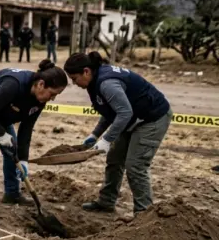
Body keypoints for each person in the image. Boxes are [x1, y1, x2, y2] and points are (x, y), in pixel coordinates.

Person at [0, 60, 68, 224]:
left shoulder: (39, 101)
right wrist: (2, 135)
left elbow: (26, 129)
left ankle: (12, 193)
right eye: (52, 94)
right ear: (40, 84)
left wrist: (23, 160)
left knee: (13, 151)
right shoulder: (13, 84)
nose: (52, 99)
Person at [64, 52, 173, 216]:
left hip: (152, 119)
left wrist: (107, 139)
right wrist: (95, 135)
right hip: (133, 119)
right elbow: (109, 110)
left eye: (74, 78)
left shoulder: (107, 83)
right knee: (114, 159)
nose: (74, 83)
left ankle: (144, 214)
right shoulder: (94, 81)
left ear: (86, 71)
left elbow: (124, 113)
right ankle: (106, 201)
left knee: (135, 166)